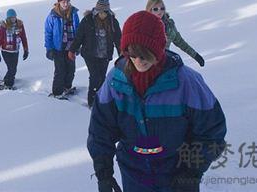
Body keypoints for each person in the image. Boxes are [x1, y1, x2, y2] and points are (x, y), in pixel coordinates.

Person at [87, 11, 226, 192]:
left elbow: (211, 132)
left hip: (177, 176)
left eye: (145, 54)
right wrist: (103, 173)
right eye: (132, 53)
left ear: (159, 49)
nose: (138, 60)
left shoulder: (186, 82)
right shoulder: (116, 81)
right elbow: (101, 130)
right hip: (134, 176)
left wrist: (191, 172)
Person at [69, 0, 121, 108]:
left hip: (105, 54)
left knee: (102, 78)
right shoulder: (88, 20)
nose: (102, 15)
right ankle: (92, 102)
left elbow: (118, 39)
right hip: (90, 54)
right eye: (100, 12)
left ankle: (101, 100)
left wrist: (122, 54)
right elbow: (79, 37)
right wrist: (72, 50)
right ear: (96, 10)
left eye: (105, 12)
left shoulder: (112, 21)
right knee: (94, 77)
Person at [146, 0, 205, 67]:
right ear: (149, 10)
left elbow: (180, 42)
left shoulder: (169, 25)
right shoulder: (145, 25)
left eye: (162, 8)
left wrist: (195, 55)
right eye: (155, 9)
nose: (159, 11)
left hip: (165, 60)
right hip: (149, 63)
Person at [44, 0, 80, 99]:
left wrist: (77, 46)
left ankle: (66, 87)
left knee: (71, 70)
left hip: (70, 47)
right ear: (58, 2)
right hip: (57, 48)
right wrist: (49, 49)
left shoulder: (74, 14)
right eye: (63, 2)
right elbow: (48, 33)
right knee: (60, 71)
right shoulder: (52, 16)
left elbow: (78, 31)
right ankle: (57, 92)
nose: (65, 4)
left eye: (67, 1)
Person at [0, 9, 29, 90]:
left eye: (14, 17)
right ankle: (8, 84)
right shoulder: (4, 26)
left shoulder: (19, 25)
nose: (13, 19)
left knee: (13, 68)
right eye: (11, 18)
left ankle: (7, 79)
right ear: (8, 18)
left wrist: (26, 50)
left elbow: (23, 37)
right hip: (5, 51)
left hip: (15, 51)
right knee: (12, 68)